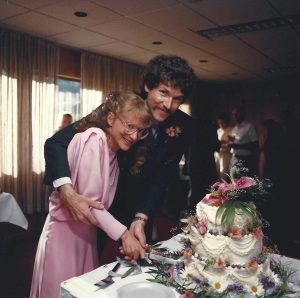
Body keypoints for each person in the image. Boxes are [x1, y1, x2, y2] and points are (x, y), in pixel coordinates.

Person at [43, 55, 197, 248]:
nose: (168, 104)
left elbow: (161, 178)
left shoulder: (183, 126)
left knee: (139, 267)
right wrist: (67, 191)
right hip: (100, 205)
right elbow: (55, 143)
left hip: (141, 210)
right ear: (148, 86)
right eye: (163, 93)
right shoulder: (121, 106)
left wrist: (141, 217)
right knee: (89, 263)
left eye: (177, 99)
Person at [30, 92, 153, 298]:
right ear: (111, 119)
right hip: (64, 236)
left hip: (87, 236)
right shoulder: (94, 139)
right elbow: (90, 205)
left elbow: (104, 205)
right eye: (129, 126)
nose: (134, 136)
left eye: (140, 131)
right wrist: (124, 235)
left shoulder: (114, 152)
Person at [229, 106, 258, 176]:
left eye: (237, 114)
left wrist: (238, 146)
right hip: (234, 158)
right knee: (235, 182)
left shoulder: (249, 126)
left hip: (245, 159)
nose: (235, 116)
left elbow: (255, 144)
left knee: (244, 183)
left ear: (243, 114)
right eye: (233, 114)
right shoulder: (234, 129)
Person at [215, 112, 232, 180]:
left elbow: (232, 142)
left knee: (224, 171)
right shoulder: (218, 131)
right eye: (219, 123)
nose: (221, 124)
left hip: (226, 154)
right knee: (217, 171)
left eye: (222, 122)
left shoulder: (231, 130)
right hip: (217, 154)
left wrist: (224, 142)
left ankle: (223, 188)